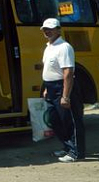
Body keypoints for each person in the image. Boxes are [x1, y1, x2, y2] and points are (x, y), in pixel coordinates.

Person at [40, 18, 85, 162]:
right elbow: (49, 69)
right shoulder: (49, 47)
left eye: (50, 29)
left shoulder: (64, 47)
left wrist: (65, 96)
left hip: (63, 87)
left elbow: (67, 72)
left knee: (70, 120)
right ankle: (68, 147)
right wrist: (47, 88)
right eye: (45, 29)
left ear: (58, 30)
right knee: (55, 120)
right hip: (51, 87)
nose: (47, 32)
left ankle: (77, 152)